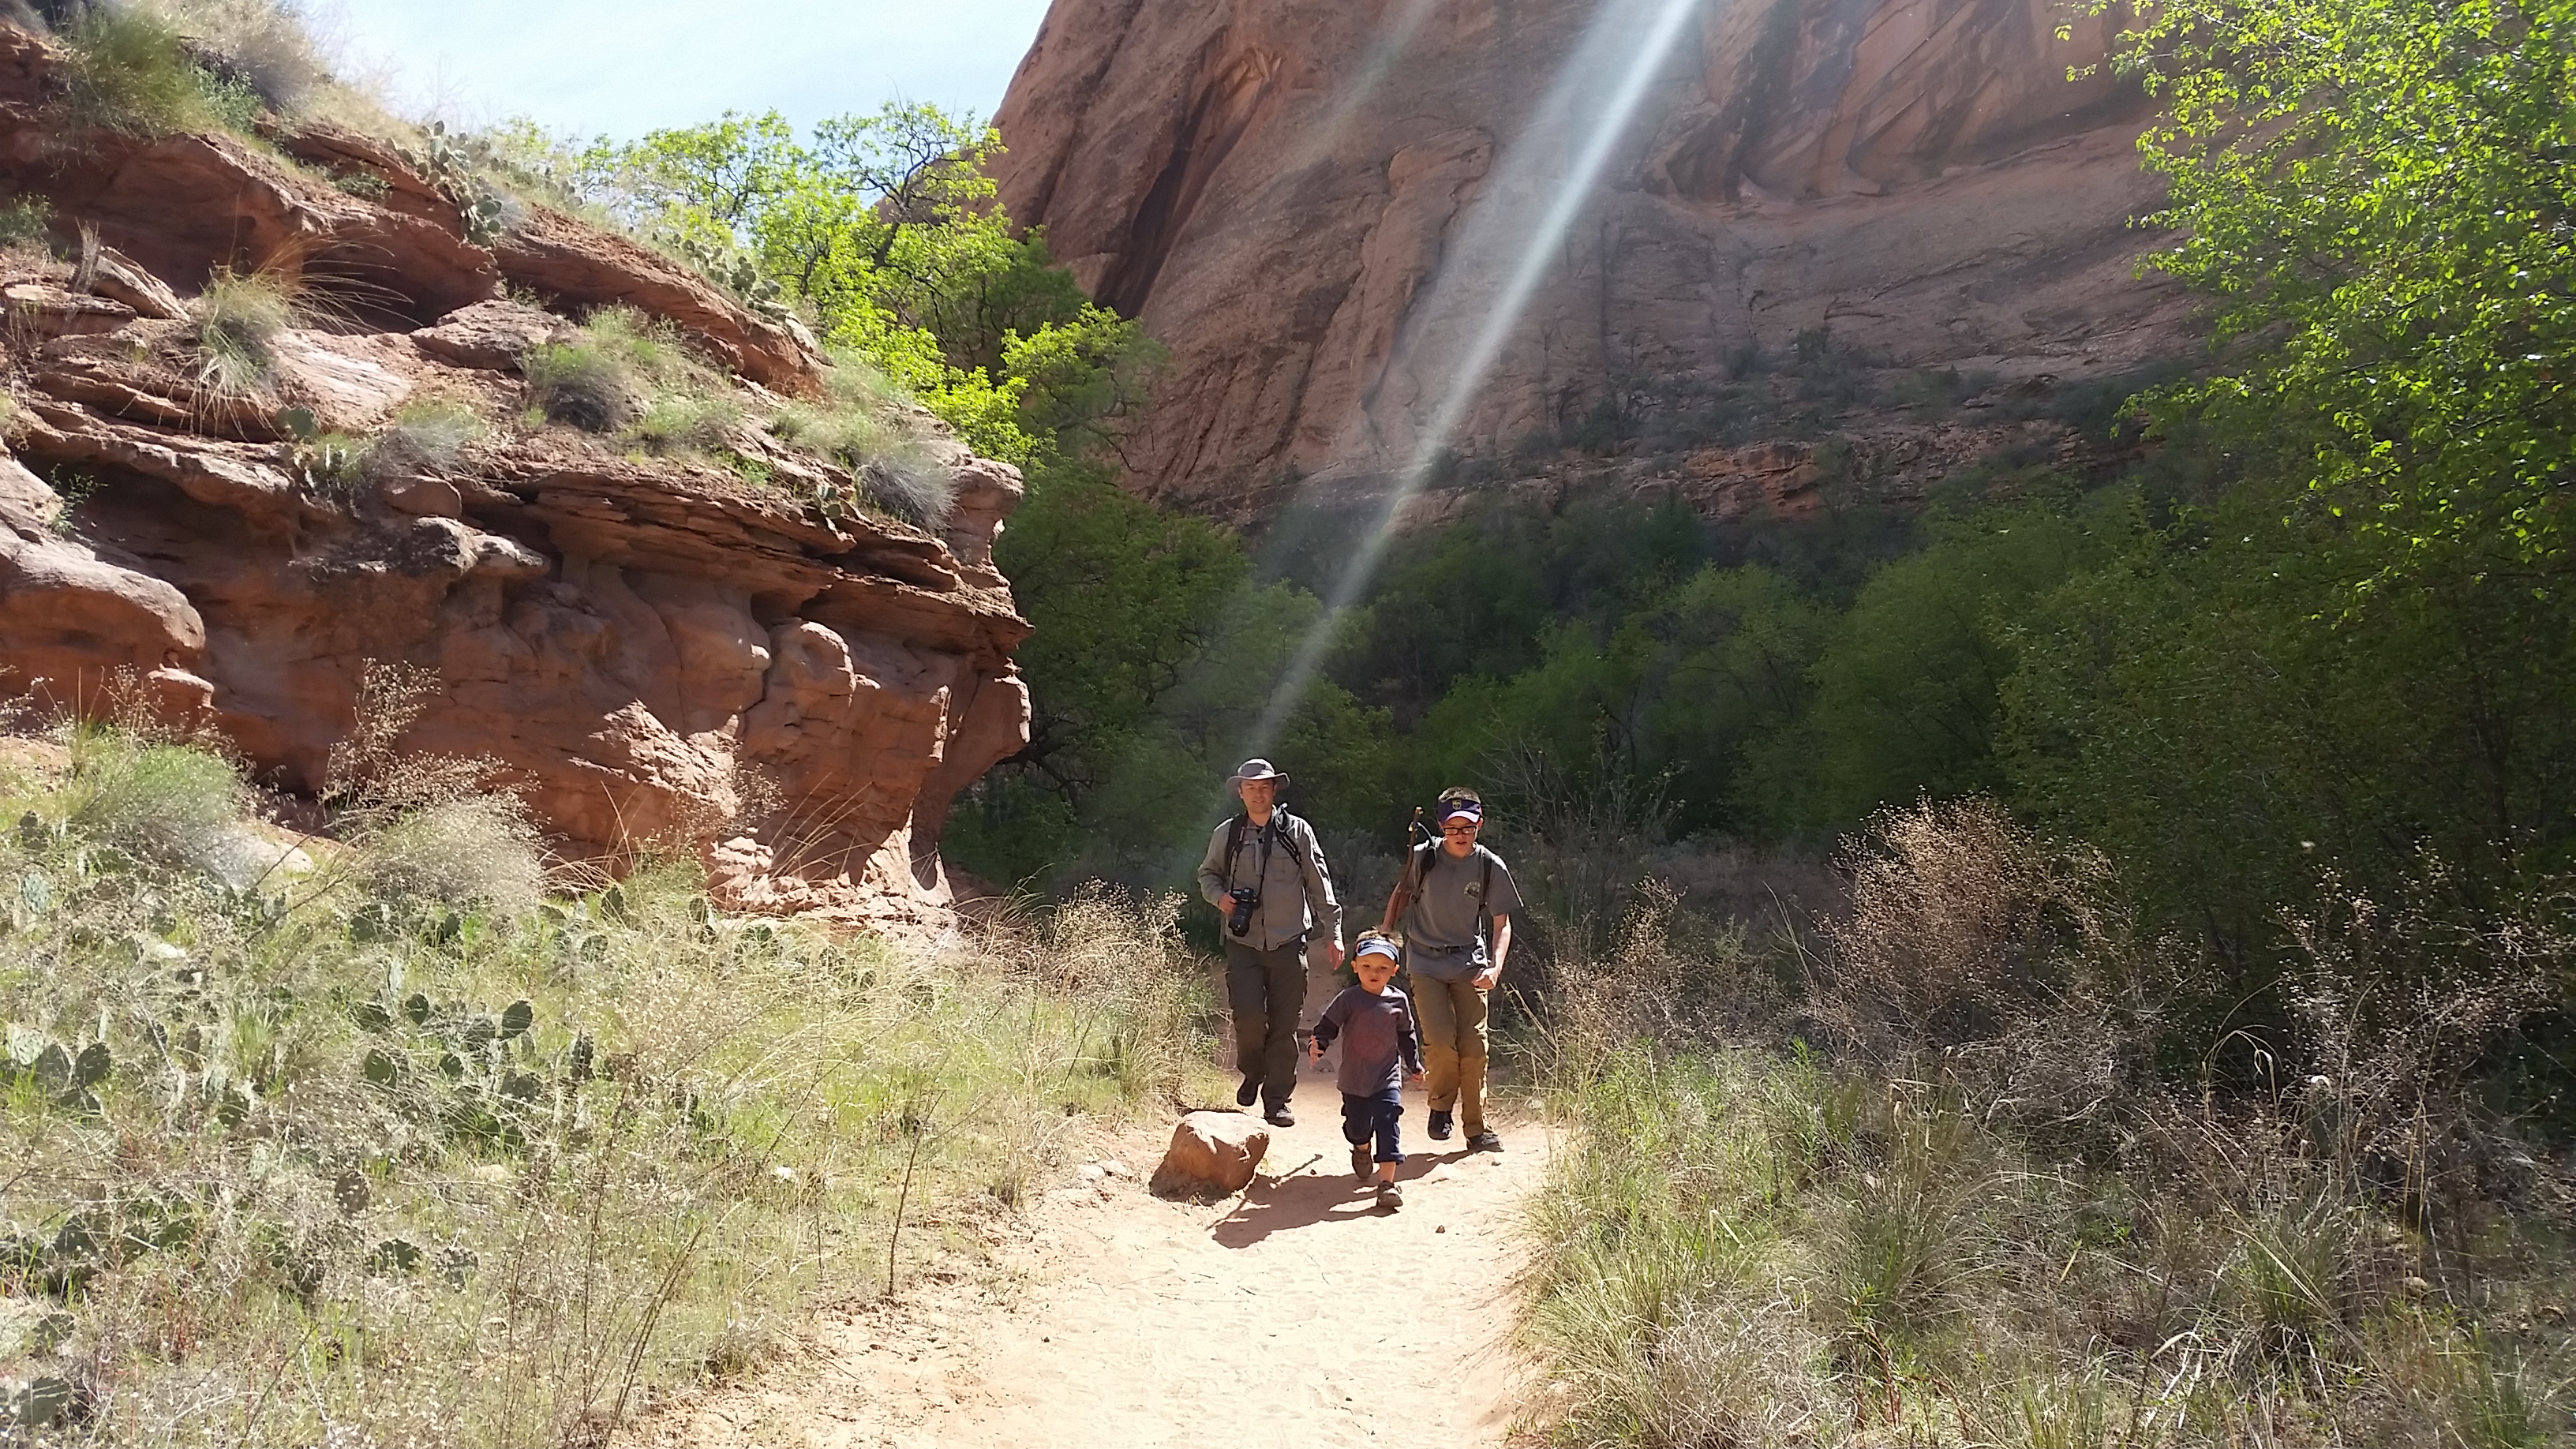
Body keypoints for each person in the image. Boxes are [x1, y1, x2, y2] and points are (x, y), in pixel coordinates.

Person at [1197, 758, 1344, 1126]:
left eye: (1264, 786)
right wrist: (1220, 898)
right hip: (1242, 941)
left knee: (1284, 1024)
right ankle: (1252, 1072)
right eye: (1251, 787)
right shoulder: (1227, 834)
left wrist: (1334, 932)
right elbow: (1207, 874)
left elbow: (1318, 881)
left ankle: (1277, 1100)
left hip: (1288, 941)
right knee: (1248, 1017)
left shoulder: (1297, 832)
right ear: (1241, 792)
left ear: (1275, 790)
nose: (1258, 793)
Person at [1379, 785, 1520, 1152]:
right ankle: (1440, 1106)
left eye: (1468, 827)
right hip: (1425, 961)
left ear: (1480, 825)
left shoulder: (1490, 866)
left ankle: (1476, 1128)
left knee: (1475, 1047)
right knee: (1440, 1042)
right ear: (1441, 827)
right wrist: (1385, 935)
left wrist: (1495, 967)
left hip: (1469, 963)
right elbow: (1401, 894)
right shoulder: (1423, 858)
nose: (1461, 835)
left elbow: (1502, 924)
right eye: (1453, 827)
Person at [1309, 931, 1423, 1211]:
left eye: (1383, 968)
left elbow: (1407, 1035)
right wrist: (1319, 1043)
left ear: (1394, 971)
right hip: (1354, 1079)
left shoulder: (1398, 1001)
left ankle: (1387, 1185)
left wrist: (1414, 1064)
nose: (1375, 973)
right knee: (1358, 1128)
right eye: (1367, 966)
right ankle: (1361, 1147)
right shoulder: (1350, 999)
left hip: (1386, 1078)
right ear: (1355, 966)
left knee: (1388, 1122)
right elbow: (1328, 1025)